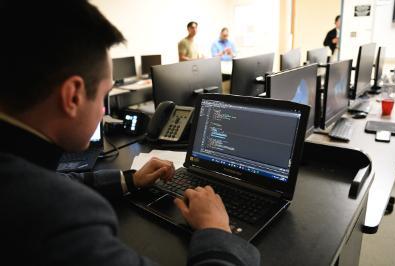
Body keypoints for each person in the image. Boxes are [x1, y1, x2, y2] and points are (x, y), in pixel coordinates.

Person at [0, 1, 260, 265]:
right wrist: (215, 233)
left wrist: (130, 180)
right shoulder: (61, 218)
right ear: (73, 96)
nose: (103, 110)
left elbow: (57, 180)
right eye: (104, 96)